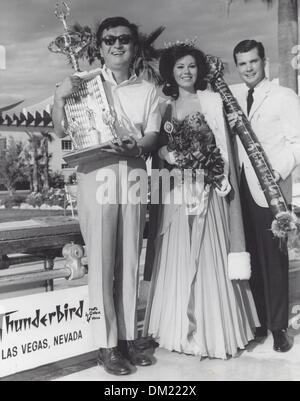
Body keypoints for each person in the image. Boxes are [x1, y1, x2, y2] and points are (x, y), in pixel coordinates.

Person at [52, 16, 161, 375]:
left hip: (130, 175)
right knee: (100, 265)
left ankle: (128, 338)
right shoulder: (81, 85)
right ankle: (106, 345)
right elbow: (61, 129)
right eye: (109, 40)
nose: (117, 45)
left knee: (129, 259)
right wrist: (59, 97)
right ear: (98, 48)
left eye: (125, 40)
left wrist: (137, 144)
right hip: (95, 176)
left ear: (134, 46)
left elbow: (151, 138)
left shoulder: (147, 90)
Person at [143, 43, 259, 359]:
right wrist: (168, 153)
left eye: (192, 66)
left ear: (199, 70)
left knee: (211, 257)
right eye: (180, 67)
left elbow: (223, 145)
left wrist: (210, 167)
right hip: (177, 193)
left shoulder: (212, 102)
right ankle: (180, 331)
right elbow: (159, 149)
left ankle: (212, 332)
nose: (186, 72)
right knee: (179, 256)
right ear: (171, 72)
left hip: (209, 190)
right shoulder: (164, 107)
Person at [231, 39, 300, 352]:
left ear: (264, 61)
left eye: (253, 62)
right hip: (239, 189)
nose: (248, 68)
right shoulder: (232, 96)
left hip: (270, 188)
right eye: (242, 63)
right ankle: (258, 323)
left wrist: (279, 171)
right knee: (251, 258)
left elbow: (297, 142)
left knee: (274, 259)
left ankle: (279, 327)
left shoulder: (284, 96)